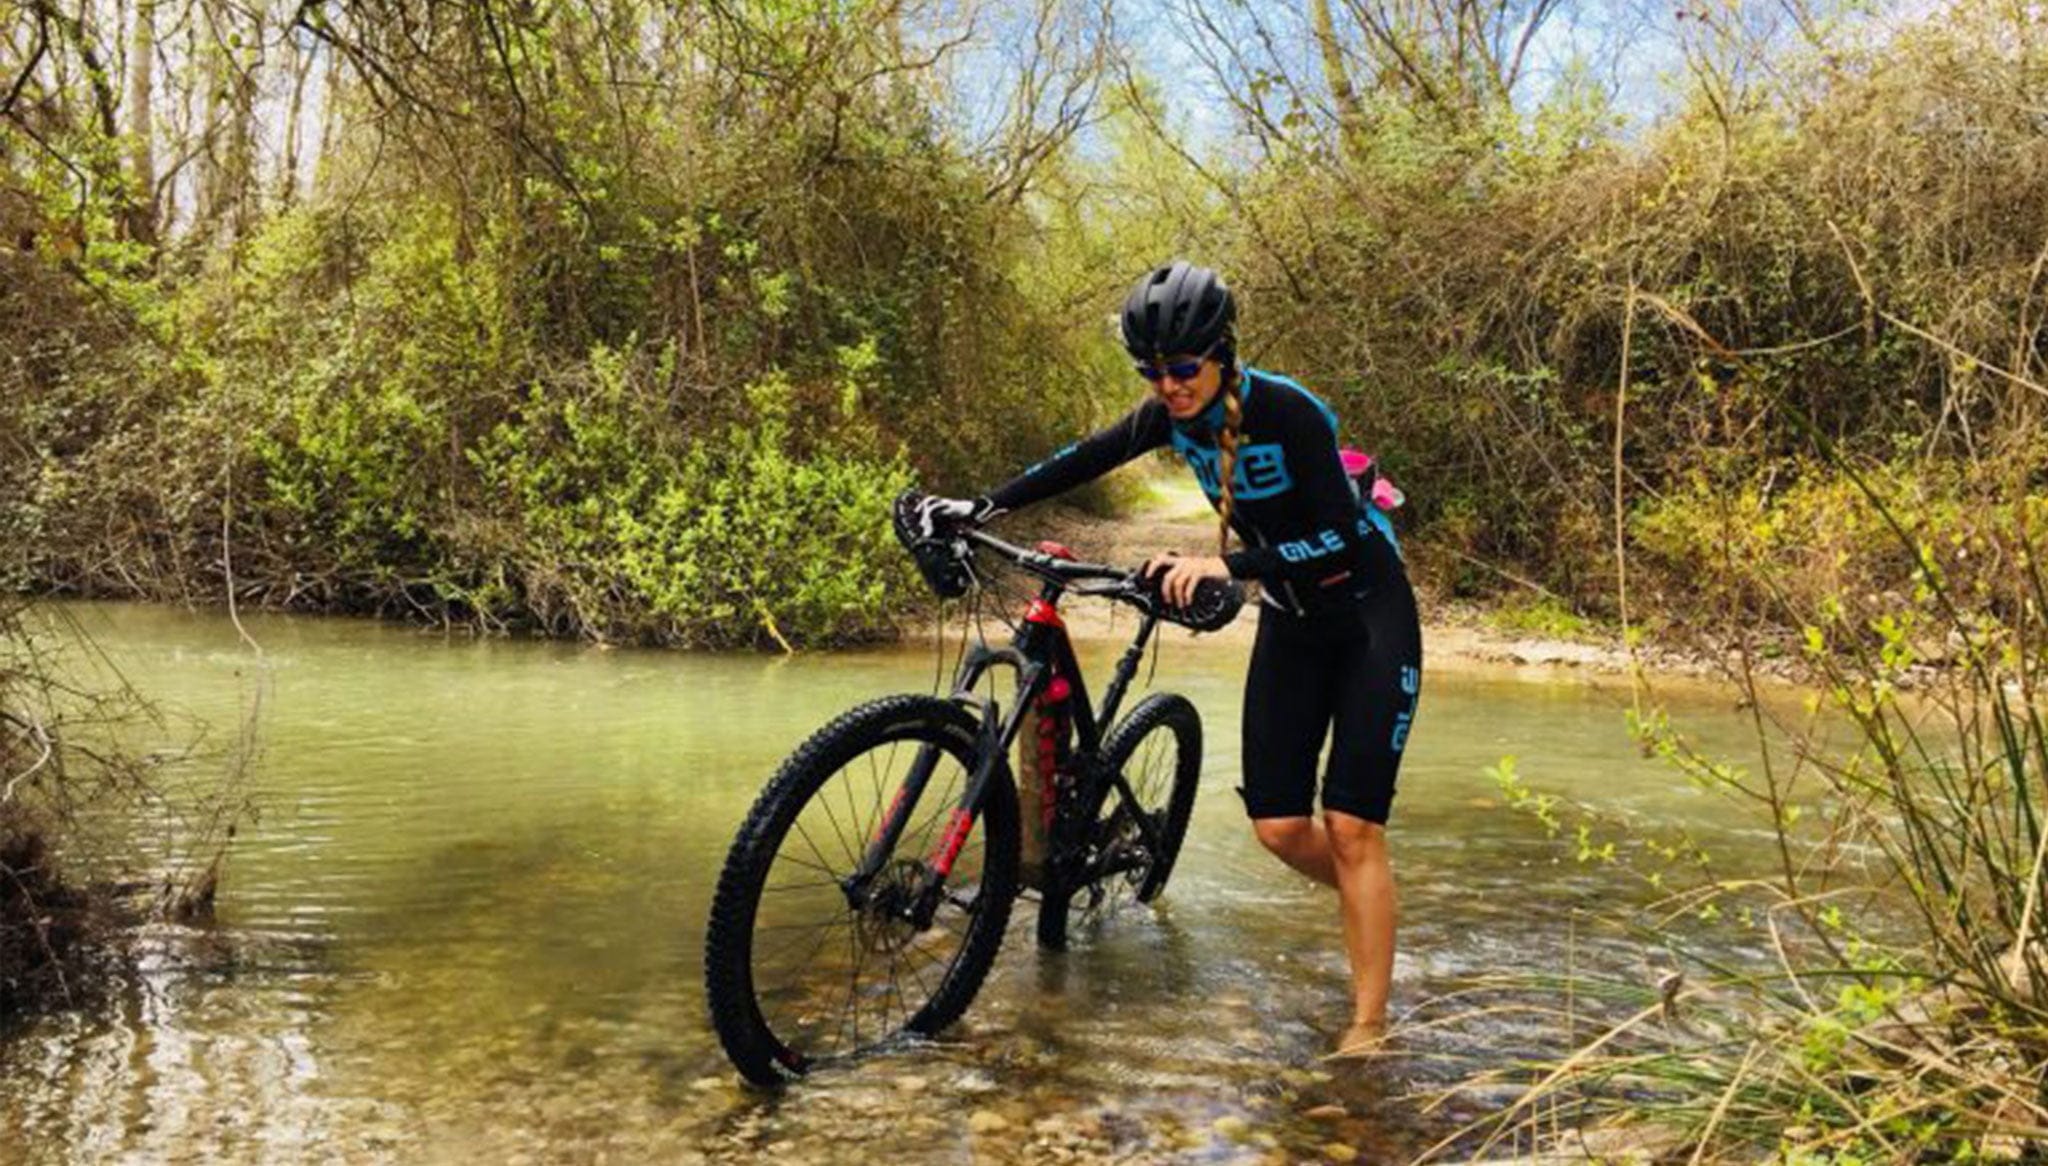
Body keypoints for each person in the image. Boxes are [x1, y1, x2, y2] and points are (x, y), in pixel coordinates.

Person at [906, 260, 1424, 1056]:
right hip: (1292, 619)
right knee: (1280, 828)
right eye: (1151, 372)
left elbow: (1343, 537)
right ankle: (1369, 896)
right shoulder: (1168, 416)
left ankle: (1368, 1027)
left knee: (1352, 825)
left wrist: (1227, 566)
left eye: (1183, 368)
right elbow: (1083, 458)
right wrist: (983, 505)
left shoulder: (1287, 411)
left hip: (1367, 616)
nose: (1169, 386)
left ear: (1222, 352)